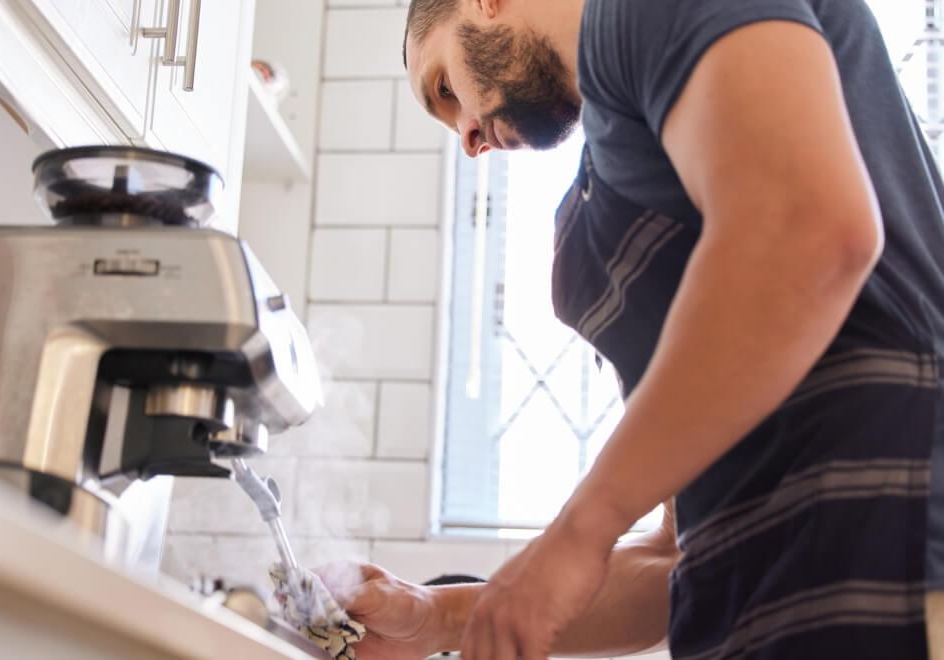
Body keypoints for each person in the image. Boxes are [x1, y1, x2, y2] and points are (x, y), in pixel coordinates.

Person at [317, 0, 944, 657]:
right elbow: (670, 559)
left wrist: (582, 528)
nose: (468, 138)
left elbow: (809, 230)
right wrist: (434, 615)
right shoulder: (615, 179)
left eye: (445, 89)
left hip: (892, 562)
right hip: (773, 609)